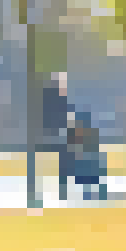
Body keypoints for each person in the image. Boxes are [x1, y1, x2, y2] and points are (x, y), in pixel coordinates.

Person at [40, 71, 73, 201]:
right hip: (54, 135)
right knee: (65, 155)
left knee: (66, 156)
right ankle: (62, 189)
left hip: (59, 135)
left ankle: (64, 189)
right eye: (61, 83)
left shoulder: (60, 99)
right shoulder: (51, 100)